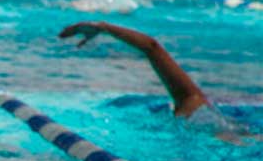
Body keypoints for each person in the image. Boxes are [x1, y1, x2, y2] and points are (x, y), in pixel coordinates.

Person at [59, 21, 254, 141]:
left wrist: (104, 27)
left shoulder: (197, 112)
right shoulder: (201, 111)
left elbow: (152, 47)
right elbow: (152, 47)